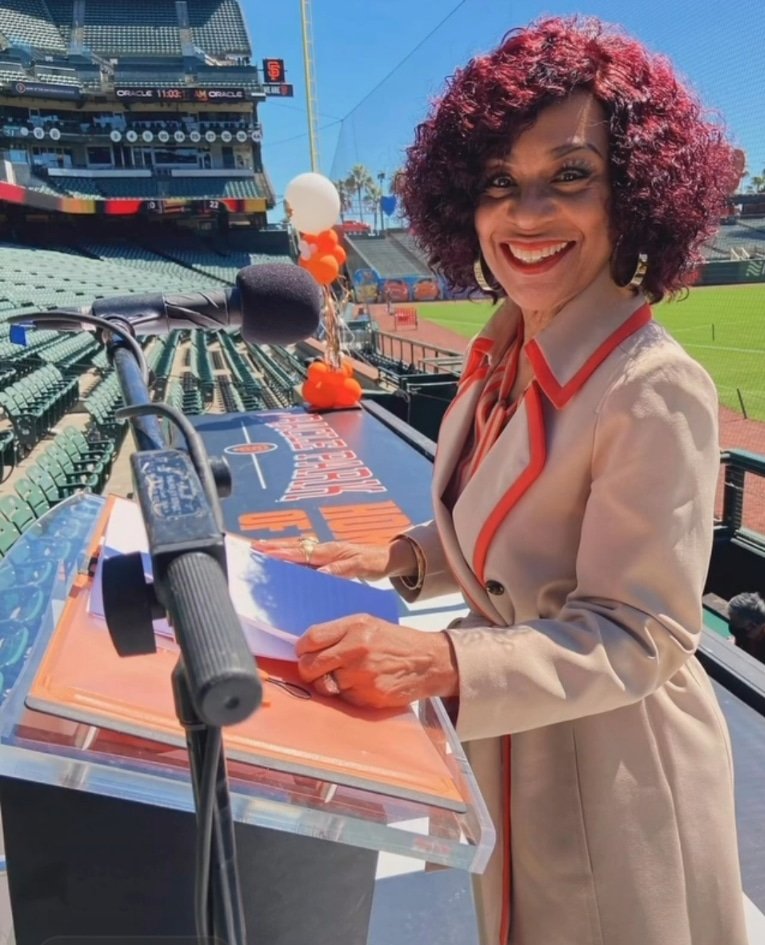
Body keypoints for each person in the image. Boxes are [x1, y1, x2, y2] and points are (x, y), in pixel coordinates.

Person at [255, 17, 748, 945]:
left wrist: (440, 662)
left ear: (633, 196)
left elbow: (643, 631)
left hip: (613, 772)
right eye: (497, 183)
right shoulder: (505, 348)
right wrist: (394, 555)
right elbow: (520, 527)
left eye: (570, 174)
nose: (525, 214)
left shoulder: (651, 384)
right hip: (513, 733)